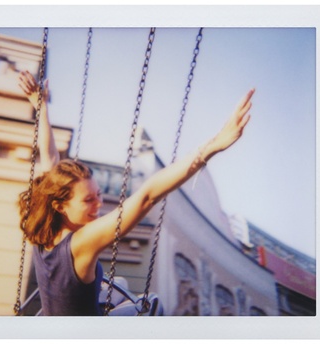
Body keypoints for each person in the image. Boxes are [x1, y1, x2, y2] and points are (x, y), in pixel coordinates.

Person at [17, 70, 255, 316]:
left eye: (98, 194)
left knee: (118, 284)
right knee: (150, 305)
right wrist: (212, 147)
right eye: (88, 199)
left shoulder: (44, 224)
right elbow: (147, 196)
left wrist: (41, 106)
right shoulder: (80, 243)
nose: (98, 204)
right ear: (60, 205)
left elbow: (50, 157)